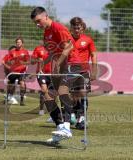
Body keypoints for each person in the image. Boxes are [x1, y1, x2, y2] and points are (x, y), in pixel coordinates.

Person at [30, 6, 82, 143]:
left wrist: (58, 64)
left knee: (63, 91)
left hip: (73, 63)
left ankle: (67, 127)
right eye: (35, 23)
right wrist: (43, 66)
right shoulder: (46, 33)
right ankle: (60, 127)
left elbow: (68, 48)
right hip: (62, 64)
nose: (37, 25)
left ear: (46, 16)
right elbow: (52, 52)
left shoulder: (59, 28)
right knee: (47, 96)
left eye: (38, 21)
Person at [69, 17, 98, 129]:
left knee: (83, 93)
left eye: (78, 28)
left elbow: (94, 55)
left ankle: (81, 119)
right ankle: (73, 115)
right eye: (74, 27)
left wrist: (94, 71)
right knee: (72, 96)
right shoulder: (67, 40)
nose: (76, 30)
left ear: (82, 28)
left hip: (83, 71)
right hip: (70, 70)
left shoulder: (88, 40)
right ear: (71, 28)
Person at [2, 36, 30, 105]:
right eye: (17, 42)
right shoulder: (12, 52)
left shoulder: (25, 52)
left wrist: (23, 64)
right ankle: (8, 98)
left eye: (19, 42)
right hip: (13, 72)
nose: (18, 43)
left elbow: (28, 62)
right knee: (10, 86)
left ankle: (22, 101)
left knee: (22, 84)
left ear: (22, 43)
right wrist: (7, 67)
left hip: (21, 72)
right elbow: (4, 61)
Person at [31, 44, 52, 115]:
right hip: (41, 73)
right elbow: (32, 61)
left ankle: (52, 112)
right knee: (44, 90)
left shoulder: (54, 48)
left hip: (52, 74)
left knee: (52, 93)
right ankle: (41, 109)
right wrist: (37, 59)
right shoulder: (38, 48)